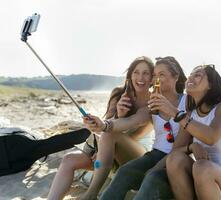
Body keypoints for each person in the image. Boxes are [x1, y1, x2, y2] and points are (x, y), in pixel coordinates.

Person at [47, 56, 155, 200]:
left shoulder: (153, 101)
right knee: (69, 159)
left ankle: (91, 194)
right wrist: (117, 116)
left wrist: (105, 143)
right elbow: (105, 124)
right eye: (136, 72)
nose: (140, 77)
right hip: (107, 153)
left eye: (146, 73)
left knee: (109, 136)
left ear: (152, 78)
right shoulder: (119, 94)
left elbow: (133, 134)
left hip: (136, 154)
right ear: (130, 75)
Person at [84, 56, 187, 200]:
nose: (156, 79)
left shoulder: (187, 101)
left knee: (151, 179)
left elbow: (185, 141)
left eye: (161, 75)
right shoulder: (152, 104)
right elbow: (131, 121)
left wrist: (154, 169)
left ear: (176, 76)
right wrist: (103, 125)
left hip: (176, 159)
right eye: (155, 75)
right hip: (154, 155)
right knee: (124, 172)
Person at [165, 64, 221, 200]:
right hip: (204, 181)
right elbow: (175, 152)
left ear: (210, 85)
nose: (191, 77)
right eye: (191, 75)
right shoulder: (191, 115)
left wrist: (175, 113)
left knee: (202, 167)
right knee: (175, 160)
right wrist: (192, 147)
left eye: (198, 75)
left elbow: (211, 137)